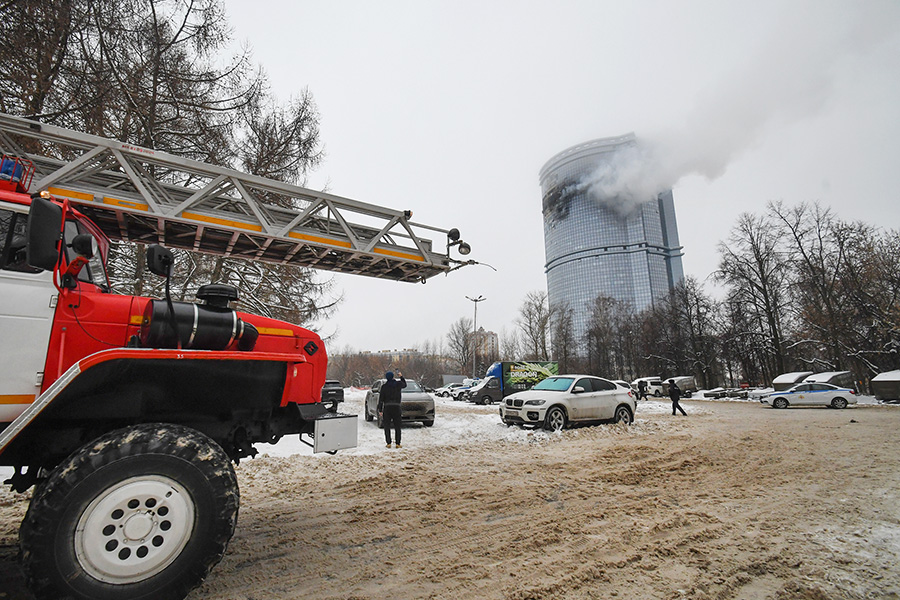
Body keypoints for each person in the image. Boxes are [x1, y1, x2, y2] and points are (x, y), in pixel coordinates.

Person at [378, 370, 406, 448]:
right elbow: (405, 384)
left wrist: (380, 409)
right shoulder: (398, 384)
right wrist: (401, 376)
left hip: (387, 408)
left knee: (387, 426)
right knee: (397, 426)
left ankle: (388, 443)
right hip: (396, 407)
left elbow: (381, 399)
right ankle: (398, 443)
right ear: (393, 377)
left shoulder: (384, 386)